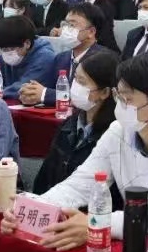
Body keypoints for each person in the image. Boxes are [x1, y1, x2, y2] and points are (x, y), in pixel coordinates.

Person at [4, 51, 148, 250]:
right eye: (119, 95)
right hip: (145, 240)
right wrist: (32, 209)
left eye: (127, 98)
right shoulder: (119, 131)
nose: (120, 105)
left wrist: (97, 222)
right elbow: (80, 185)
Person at [32, 51, 122, 202]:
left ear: (105, 92)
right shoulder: (69, 125)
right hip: (52, 203)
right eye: (75, 78)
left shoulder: (112, 135)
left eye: (82, 82)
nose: (75, 86)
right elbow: (44, 177)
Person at [18, 3, 109, 106]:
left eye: (72, 25)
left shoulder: (103, 59)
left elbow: (86, 97)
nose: (65, 30)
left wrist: (45, 94)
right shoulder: (61, 58)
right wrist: (31, 94)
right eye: (65, 25)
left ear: (91, 32)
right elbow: (47, 88)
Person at [0, 15, 56, 100]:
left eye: (10, 49)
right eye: (2, 49)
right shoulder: (4, 54)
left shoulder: (45, 58)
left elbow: (23, 89)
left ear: (27, 44)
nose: (6, 53)